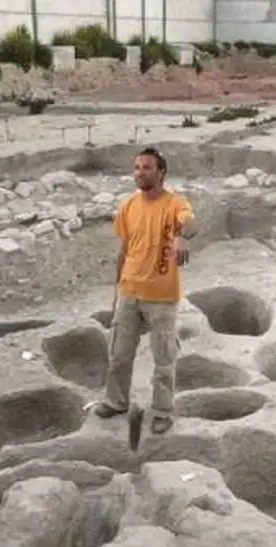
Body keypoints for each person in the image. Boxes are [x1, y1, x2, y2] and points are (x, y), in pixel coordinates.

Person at [93, 147, 195, 435]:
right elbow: (124, 250)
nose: (140, 173)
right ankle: (116, 401)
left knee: (163, 358)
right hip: (129, 291)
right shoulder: (128, 206)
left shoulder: (175, 204)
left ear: (161, 172)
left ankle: (162, 411)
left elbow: (189, 221)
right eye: (137, 168)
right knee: (118, 353)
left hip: (161, 296)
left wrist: (182, 238)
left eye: (147, 167)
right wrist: (117, 290)